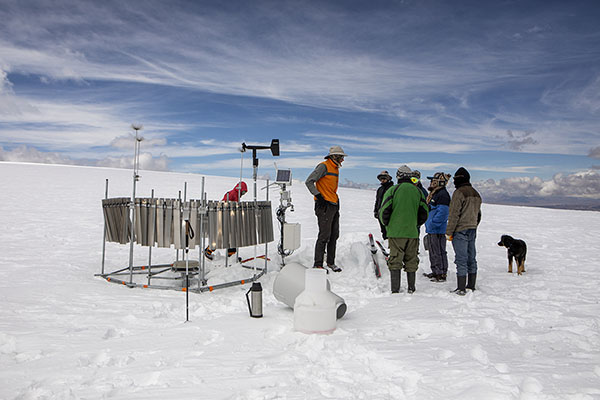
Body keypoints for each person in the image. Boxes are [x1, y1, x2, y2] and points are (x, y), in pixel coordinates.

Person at [379, 165, 429, 293]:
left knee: (395, 260)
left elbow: (384, 210)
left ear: (398, 175)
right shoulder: (417, 191)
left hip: (396, 232)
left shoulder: (393, 190)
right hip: (412, 232)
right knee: (411, 260)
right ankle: (411, 288)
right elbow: (424, 211)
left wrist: (388, 225)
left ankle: (395, 289)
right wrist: (416, 224)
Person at [305, 145, 347, 273]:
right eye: (341, 157)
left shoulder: (335, 168)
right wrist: (318, 196)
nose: (342, 160)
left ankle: (330, 262)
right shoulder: (323, 166)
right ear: (334, 156)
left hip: (333, 204)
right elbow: (309, 181)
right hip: (324, 205)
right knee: (324, 235)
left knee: (334, 235)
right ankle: (318, 264)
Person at [446, 167, 482, 295]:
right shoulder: (476, 193)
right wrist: (474, 225)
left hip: (460, 230)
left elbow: (454, 214)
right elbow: (479, 214)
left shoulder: (459, 193)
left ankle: (461, 288)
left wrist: (449, 232)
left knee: (461, 259)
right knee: (471, 258)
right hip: (472, 229)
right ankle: (471, 285)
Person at [204, 181, 248, 260]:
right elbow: (224, 204)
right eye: (243, 192)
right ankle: (208, 251)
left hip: (230, 219)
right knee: (221, 236)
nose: (243, 194)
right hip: (225, 218)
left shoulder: (236, 195)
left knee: (232, 237)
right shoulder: (231, 194)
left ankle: (232, 255)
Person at [423, 172, 451, 282]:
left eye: (432, 180)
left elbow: (443, 212)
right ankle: (436, 271)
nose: (430, 183)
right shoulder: (436, 193)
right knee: (434, 251)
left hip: (436, 229)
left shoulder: (442, 195)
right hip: (433, 228)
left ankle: (440, 273)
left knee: (437, 251)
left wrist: (433, 223)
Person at [373, 170, 394, 240]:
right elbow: (377, 201)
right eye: (381, 178)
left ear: (388, 179)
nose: (382, 180)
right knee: (383, 231)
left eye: (384, 178)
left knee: (390, 231)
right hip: (380, 214)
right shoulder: (380, 189)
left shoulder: (392, 189)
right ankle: (386, 242)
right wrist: (376, 211)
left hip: (389, 214)